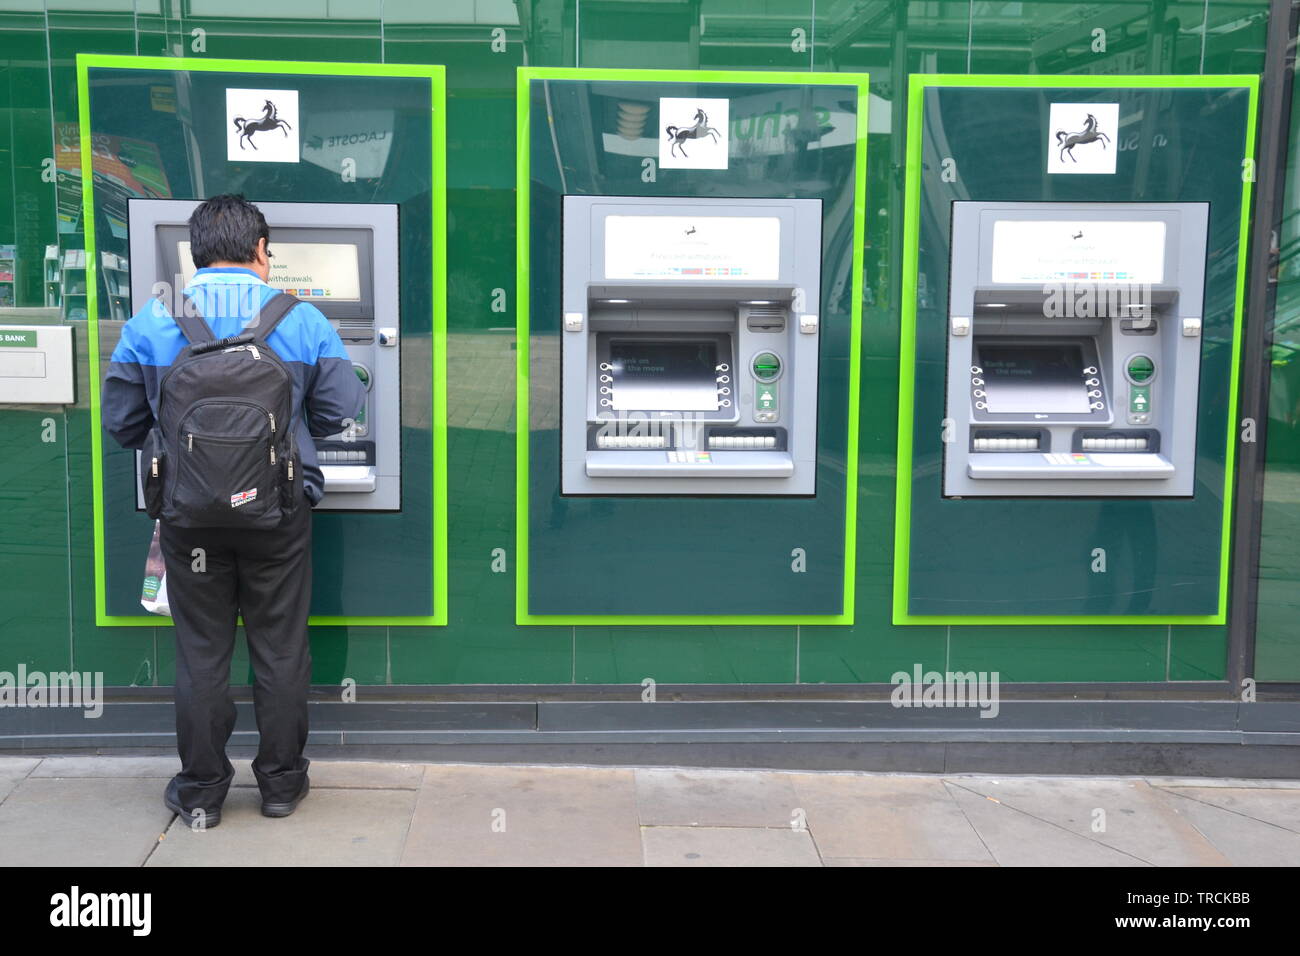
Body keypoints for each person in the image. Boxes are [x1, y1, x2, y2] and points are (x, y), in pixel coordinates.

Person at [102, 194, 365, 829]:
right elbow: (340, 410)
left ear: (194, 256)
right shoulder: (300, 320)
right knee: (279, 647)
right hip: (276, 514)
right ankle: (279, 786)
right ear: (260, 252)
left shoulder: (153, 319)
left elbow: (123, 424)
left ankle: (200, 792)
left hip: (188, 518)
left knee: (201, 651)